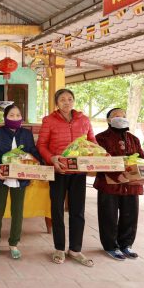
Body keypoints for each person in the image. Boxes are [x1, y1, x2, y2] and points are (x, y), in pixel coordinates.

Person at [37, 88, 96, 267]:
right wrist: (52, 159)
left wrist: (98, 155)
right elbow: (41, 145)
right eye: (62, 99)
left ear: (73, 101)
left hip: (79, 172)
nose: (66, 102)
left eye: (70, 99)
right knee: (57, 210)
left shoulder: (84, 120)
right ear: (56, 103)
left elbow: (92, 142)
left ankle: (75, 249)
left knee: (78, 211)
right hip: (58, 171)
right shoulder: (49, 120)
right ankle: (59, 248)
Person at [94, 108, 144, 261]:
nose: (120, 118)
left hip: (131, 184)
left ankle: (126, 245)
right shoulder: (100, 138)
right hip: (109, 184)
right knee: (108, 216)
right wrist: (117, 175)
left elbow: (142, 157)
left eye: (123, 116)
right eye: (116, 116)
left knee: (130, 215)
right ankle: (110, 246)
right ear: (108, 120)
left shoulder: (133, 139)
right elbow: (99, 160)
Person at [0, 104, 41, 259]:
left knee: (17, 211)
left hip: (20, 178)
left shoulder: (27, 134)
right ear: (5, 117)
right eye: (11, 115)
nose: (15, 118)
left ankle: (14, 243)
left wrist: (39, 163)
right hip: (1, 177)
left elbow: (32, 151)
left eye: (18, 115)